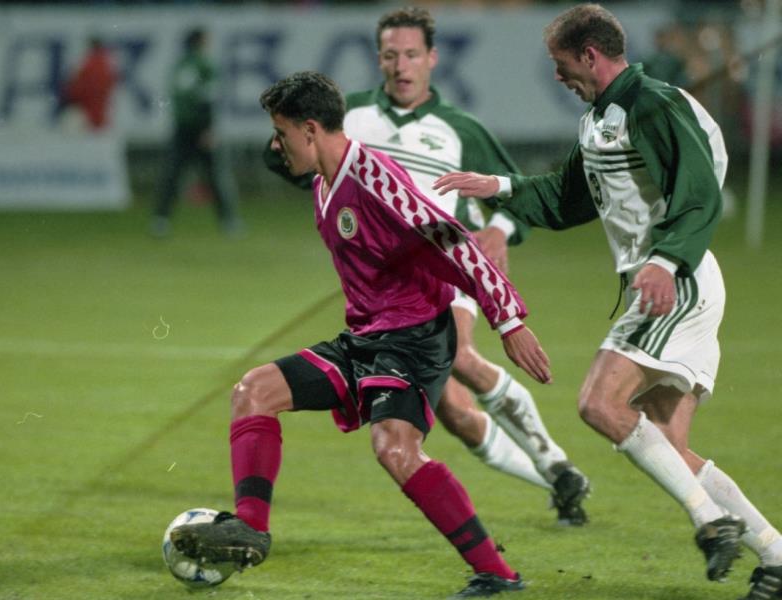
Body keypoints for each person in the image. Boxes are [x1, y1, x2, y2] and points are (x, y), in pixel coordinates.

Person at [433, 4, 782, 597]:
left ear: (590, 55)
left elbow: (700, 191)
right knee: (667, 446)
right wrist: (500, 186)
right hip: (668, 280)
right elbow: (568, 198)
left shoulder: (652, 104)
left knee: (599, 402)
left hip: (676, 282)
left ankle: (710, 521)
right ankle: (774, 554)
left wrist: (666, 260)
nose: (557, 76)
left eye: (562, 64)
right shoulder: (599, 120)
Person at [171, 70, 555, 598]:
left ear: (310, 130)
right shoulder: (323, 183)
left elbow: (454, 241)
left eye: (282, 134)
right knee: (253, 391)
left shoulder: (376, 179)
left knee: (395, 449)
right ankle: (251, 531)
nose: (276, 146)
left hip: (416, 340)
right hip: (366, 338)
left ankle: (498, 574)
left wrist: (508, 319)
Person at [264, 6, 590, 526]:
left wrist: (499, 231)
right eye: (390, 55)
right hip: (386, 290)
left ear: (433, 58)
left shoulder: (461, 129)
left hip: (446, 268)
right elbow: (297, 161)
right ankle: (560, 480)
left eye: (412, 54)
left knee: (461, 354)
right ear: (378, 59)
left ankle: (555, 462)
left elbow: (519, 201)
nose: (401, 66)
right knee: (456, 413)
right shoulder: (349, 118)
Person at [151, 27, 242, 238]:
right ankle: (228, 221)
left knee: (172, 175)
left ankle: (161, 219)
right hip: (201, 127)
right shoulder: (205, 65)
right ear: (201, 42)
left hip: (181, 127)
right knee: (216, 175)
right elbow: (208, 98)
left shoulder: (179, 65)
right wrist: (208, 128)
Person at [58, 36, 120, 131]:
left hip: (87, 112)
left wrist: (69, 94)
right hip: (100, 112)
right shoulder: (107, 63)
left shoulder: (89, 63)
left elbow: (79, 88)